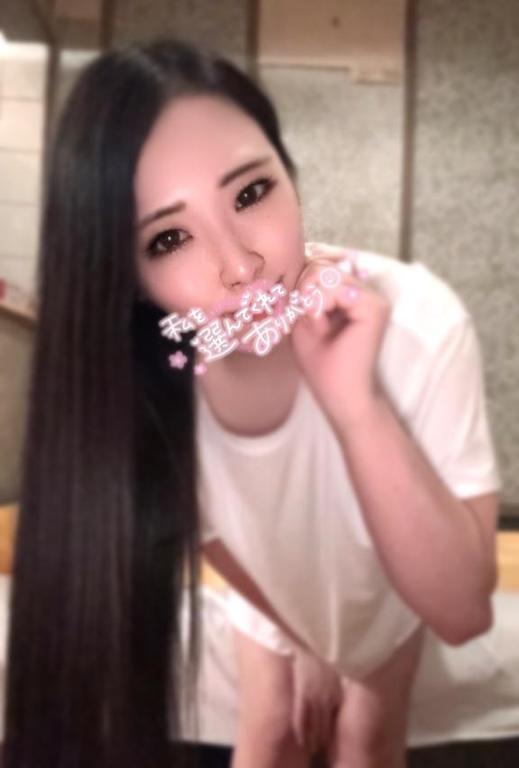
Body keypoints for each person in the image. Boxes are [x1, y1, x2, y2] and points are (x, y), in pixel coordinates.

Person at [2, 36, 501, 768]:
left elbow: (462, 612)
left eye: (250, 193)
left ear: (288, 175)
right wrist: (303, 637)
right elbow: (213, 539)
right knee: (270, 733)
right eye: (169, 238)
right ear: (130, 280)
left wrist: (356, 406)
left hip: (390, 578)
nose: (242, 267)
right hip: (272, 578)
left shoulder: (418, 322)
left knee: (365, 740)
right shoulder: (149, 385)